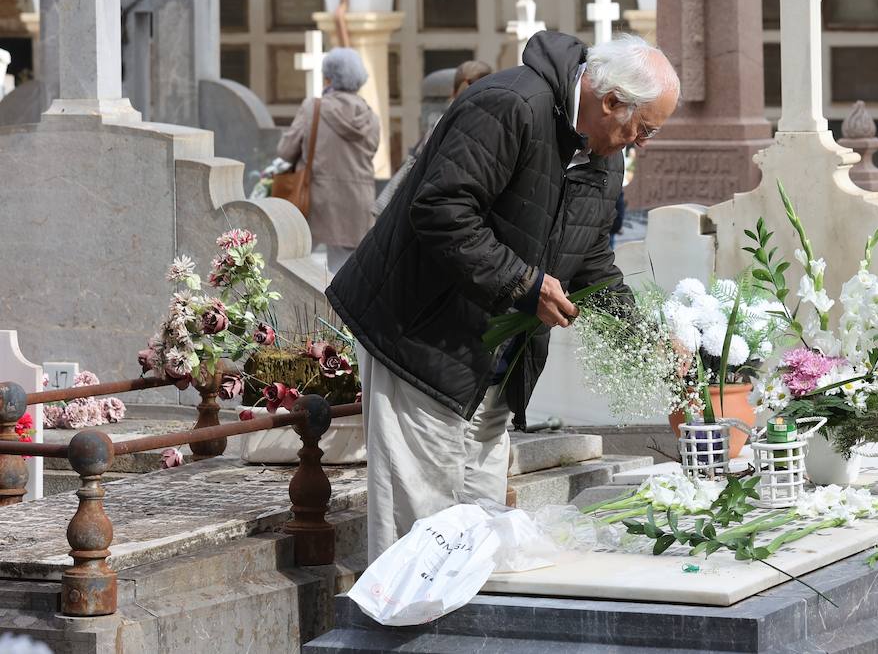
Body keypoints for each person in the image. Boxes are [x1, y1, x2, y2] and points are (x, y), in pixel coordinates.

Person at [327, 31, 679, 561]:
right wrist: (524, 285)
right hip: (424, 338)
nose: (642, 143)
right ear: (610, 102)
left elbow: (589, 261)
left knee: (479, 523)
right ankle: (411, 637)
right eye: (643, 128)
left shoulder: (604, 153)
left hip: (494, 360)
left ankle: (467, 632)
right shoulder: (508, 104)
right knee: (421, 527)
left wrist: (642, 336)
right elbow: (441, 210)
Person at [278, 47, 380, 277]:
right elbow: (372, 150)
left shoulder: (312, 108)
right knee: (346, 277)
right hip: (357, 204)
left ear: (328, 78)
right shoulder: (371, 117)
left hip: (315, 201)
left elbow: (285, 151)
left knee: (296, 267)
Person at [371, 59, 493, 219]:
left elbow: (413, 166)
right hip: (471, 214)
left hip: (431, 211)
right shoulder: (492, 126)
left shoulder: (441, 122)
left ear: (453, 92)